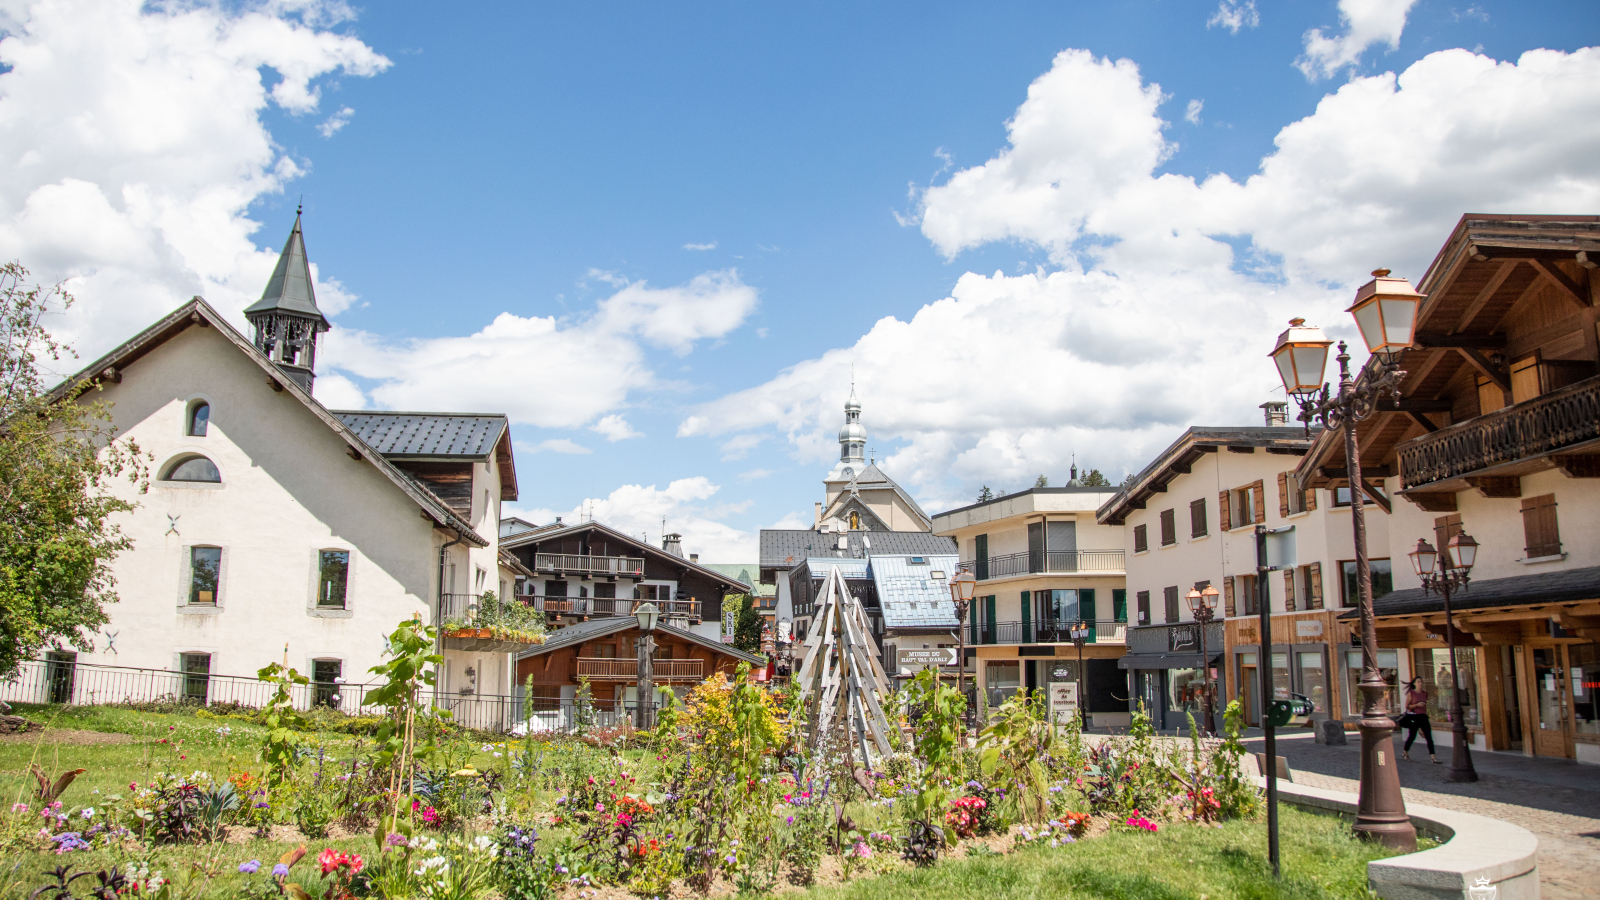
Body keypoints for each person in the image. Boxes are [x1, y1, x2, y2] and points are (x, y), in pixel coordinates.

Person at [1399, 677, 1438, 763]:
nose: (1420, 683)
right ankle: (1405, 752)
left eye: (1421, 682)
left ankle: (1433, 757)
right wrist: (1417, 705)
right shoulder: (1411, 693)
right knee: (1412, 736)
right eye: (1418, 682)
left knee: (1429, 737)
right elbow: (1407, 706)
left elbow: (1426, 705)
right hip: (1414, 717)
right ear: (1414, 684)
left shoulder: (1425, 693)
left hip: (1423, 717)